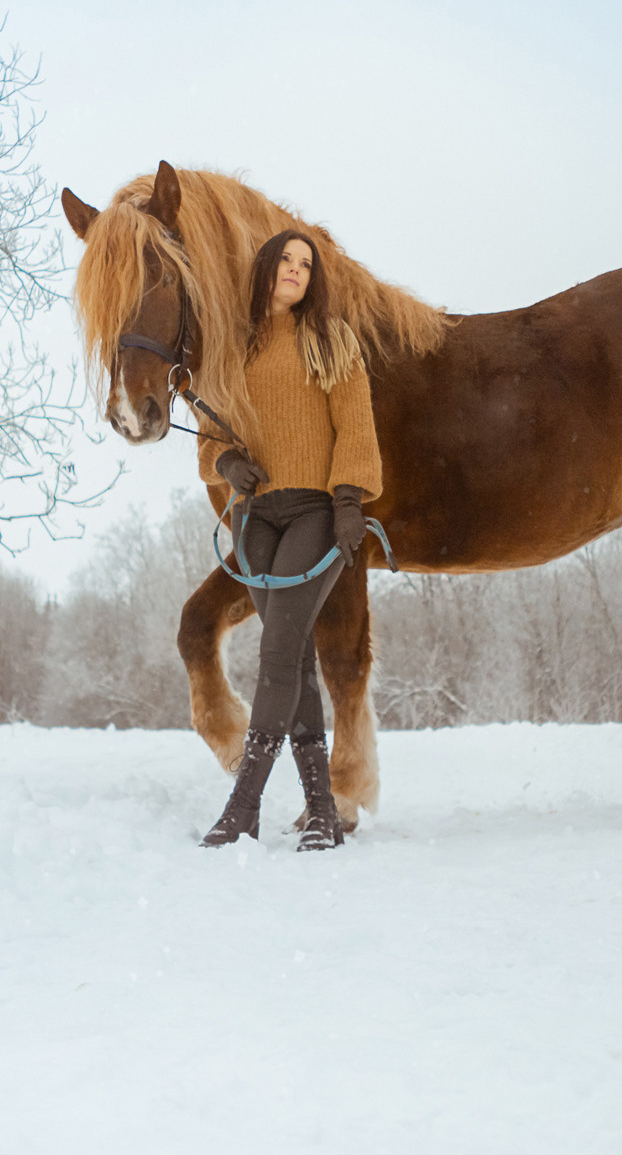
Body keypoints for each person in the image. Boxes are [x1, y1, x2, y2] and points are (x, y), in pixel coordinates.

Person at [197, 229, 382, 851]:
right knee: (295, 661)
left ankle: (242, 806)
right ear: (266, 268)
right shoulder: (233, 348)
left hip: (313, 512)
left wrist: (350, 498)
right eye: (287, 260)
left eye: (307, 264)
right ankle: (323, 813)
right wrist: (225, 463)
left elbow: (355, 421)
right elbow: (211, 429)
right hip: (255, 516)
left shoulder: (330, 340)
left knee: (277, 655)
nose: (297, 271)